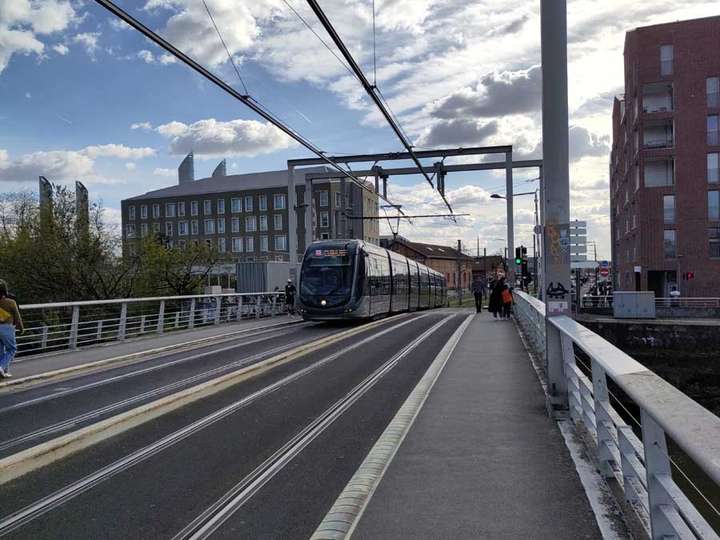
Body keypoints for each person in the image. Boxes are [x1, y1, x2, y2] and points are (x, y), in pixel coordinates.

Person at [0, 280, 23, 378]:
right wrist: (21, 328)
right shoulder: (11, 302)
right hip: (7, 328)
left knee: (1, 351)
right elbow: (17, 317)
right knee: (12, 349)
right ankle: (1, 367)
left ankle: (4, 372)